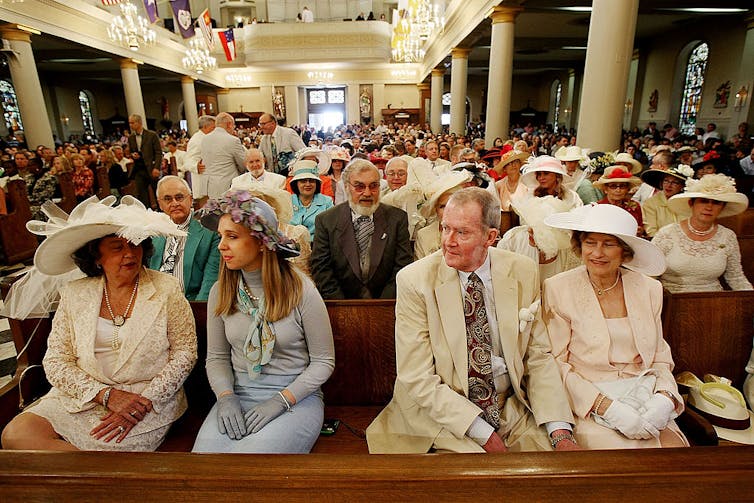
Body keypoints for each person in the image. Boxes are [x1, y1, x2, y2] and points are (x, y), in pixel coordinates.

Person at [366, 187, 576, 453]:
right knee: (477, 476)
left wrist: (560, 431)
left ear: (490, 237)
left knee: (550, 469)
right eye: (445, 228)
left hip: (508, 406)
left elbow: (537, 356)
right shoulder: (415, 280)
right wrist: (482, 433)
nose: (447, 241)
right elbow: (416, 376)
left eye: (461, 232)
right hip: (438, 412)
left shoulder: (521, 270)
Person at [1, 196, 197, 451]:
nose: (129, 254)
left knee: (104, 449)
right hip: (84, 396)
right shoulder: (75, 293)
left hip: (146, 400)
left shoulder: (165, 288)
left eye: (134, 244)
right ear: (96, 257)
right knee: (15, 435)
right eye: (117, 247)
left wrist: (144, 401)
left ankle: (83, 479)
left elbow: (185, 353)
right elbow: (56, 361)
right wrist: (105, 395)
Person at [191, 190, 334, 453]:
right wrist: (225, 397)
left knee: (251, 463)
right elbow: (217, 358)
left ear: (260, 242)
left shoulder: (301, 289)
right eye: (221, 236)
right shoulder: (219, 291)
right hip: (237, 396)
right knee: (204, 462)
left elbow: (324, 362)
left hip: (296, 398)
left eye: (232, 237)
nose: (221, 245)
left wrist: (280, 401)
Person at [543, 204, 687, 449]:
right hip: (589, 400)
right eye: (590, 242)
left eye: (608, 244)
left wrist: (664, 399)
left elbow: (660, 358)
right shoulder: (558, 287)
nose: (597, 253)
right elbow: (555, 362)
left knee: (675, 457)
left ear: (625, 251)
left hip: (645, 395)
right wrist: (605, 406)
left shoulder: (649, 289)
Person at [310, 159, 412, 299]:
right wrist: (345, 308)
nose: (367, 193)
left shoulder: (397, 219)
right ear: (346, 187)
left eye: (373, 186)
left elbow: (402, 267)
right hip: (341, 305)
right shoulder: (326, 221)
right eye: (359, 186)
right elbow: (321, 269)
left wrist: (382, 306)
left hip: (387, 305)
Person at [653, 174, 752, 293]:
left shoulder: (728, 236)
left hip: (714, 302)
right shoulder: (667, 233)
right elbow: (649, 275)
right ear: (691, 204)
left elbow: (736, 277)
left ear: (722, 207)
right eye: (703, 201)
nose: (709, 207)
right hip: (670, 300)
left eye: (716, 203)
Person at [149, 176, 220, 301]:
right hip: (157, 303)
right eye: (167, 199)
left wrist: (196, 312)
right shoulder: (153, 232)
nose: (175, 203)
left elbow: (210, 282)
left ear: (191, 199)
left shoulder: (210, 231)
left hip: (191, 304)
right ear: (160, 204)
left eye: (179, 197)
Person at [415, 170, 473, 260]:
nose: (448, 211)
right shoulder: (424, 235)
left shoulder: (471, 233)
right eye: (442, 206)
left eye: (453, 205)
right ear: (436, 209)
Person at [200, 112, 247, 198]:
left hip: (209, 185)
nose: (233, 128)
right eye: (233, 126)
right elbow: (243, 164)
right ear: (229, 124)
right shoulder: (233, 140)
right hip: (227, 185)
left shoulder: (205, 139)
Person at [640, 164, 694, 237]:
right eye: (666, 181)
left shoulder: (688, 202)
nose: (669, 185)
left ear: (682, 186)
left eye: (675, 182)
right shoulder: (651, 203)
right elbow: (651, 231)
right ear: (661, 183)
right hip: (660, 242)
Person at [289, 159, 334, 241]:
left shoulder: (327, 202)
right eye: (303, 181)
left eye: (312, 181)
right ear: (296, 184)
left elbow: (331, 229)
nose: (308, 184)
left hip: (318, 247)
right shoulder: (288, 201)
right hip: (289, 249)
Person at [592, 166, 644, 234]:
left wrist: (640, 231)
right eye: (613, 186)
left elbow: (641, 227)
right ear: (605, 189)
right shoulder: (596, 208)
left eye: (622, 186)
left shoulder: (635, 205)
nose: (618, 190)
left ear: (628, 189)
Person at [127, 114, 162, 199]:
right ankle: (146, 211)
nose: (130, 125)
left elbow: (158, 152)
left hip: (151, 166)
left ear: (139, 123)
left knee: (157, 192)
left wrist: (157, 167)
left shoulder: (151, 135)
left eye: (132, 123)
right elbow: (131, 151)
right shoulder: (131, 137)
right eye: (129, 123)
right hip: (139, 168)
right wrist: (133, 155)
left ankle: (161, 210)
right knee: (142, 194)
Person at [185, 115, 216, 199]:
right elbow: (188, 161)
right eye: (213, 127)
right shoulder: (196, 140)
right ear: (205, 127)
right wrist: (196, 166)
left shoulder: (209, 138)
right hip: (202, 180)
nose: (215, 130)